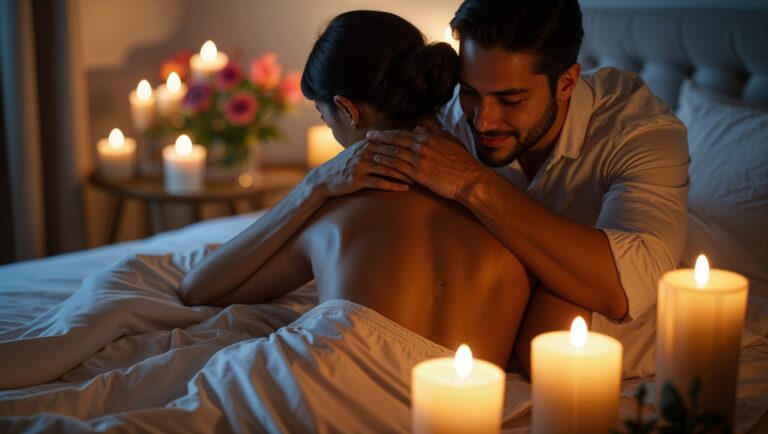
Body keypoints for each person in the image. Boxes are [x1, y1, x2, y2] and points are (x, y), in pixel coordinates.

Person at [180, 10, 531, 367]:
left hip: (329, 392)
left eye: (324, 117)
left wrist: (313, 186)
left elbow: (199, 288)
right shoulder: (507, 205)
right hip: (462, 407)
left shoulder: (338, 212)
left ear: (348, 110)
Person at [364, 0, 689, 377]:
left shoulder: (640, 132)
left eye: (511, 99)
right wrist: (319, 186)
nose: (483, 121)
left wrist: (473, 182)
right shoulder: (449, 114)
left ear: (566, 83)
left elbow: (626, 283)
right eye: (470, 91)